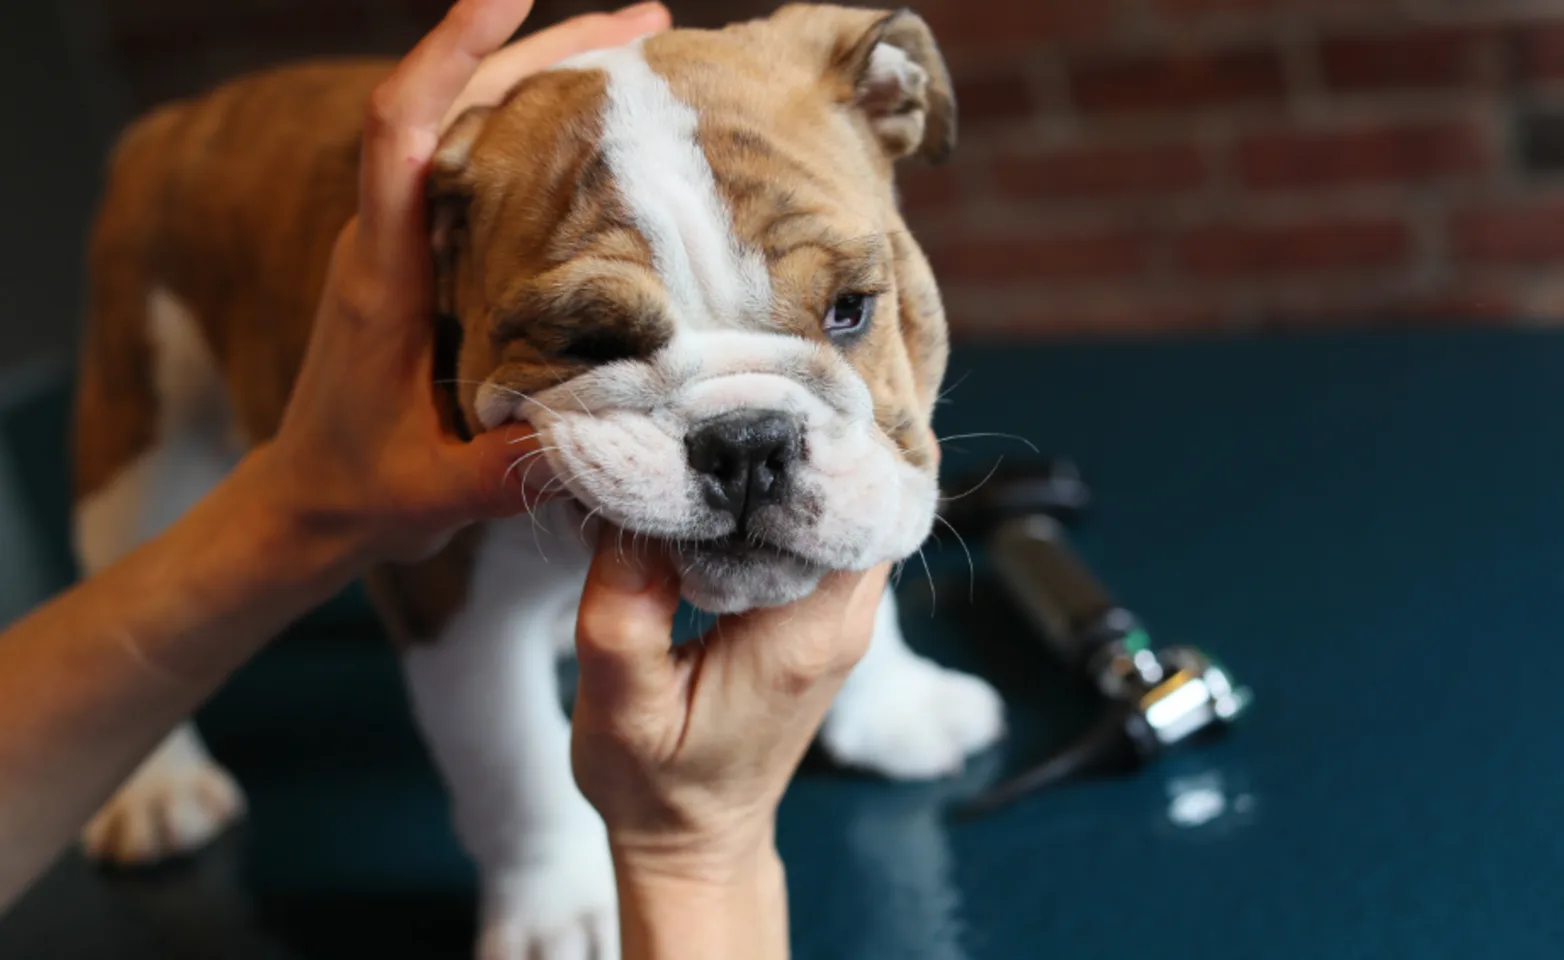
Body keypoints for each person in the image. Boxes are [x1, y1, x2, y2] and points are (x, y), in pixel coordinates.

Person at [0, 2, 892, 957]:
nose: (745, 438)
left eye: (841, 311)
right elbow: (459, 624)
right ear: (448, 248)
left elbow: (866, 456)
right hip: (187, 191)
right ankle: (156, 756)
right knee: (154, 497)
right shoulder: (447, 222)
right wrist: (549, 854)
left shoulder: (830, 131)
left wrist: (877, 675)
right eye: (591, 335)